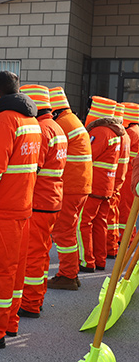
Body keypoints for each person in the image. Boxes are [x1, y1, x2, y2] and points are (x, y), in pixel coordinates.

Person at [0, 71, 41, 349]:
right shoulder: (32, 121)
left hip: (1, 211)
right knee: (14, 271)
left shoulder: (3, 121)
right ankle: (9, 322)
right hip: (23, 208)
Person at [17, 85, 67, 318]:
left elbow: (32, 168)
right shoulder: (56, 126)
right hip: (52, 199)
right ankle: (36, 296)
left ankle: (30, 303)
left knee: (34, 254)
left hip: (39, 201)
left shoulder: (41, 129)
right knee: (42, 252)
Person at [47, 87, 93, 291]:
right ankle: (71, 272)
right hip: (80, 185)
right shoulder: (71, 120)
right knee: (69, 230)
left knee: (63, 232)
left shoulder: (62, 124)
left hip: (71, 186)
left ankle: (67, 275)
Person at [79, 96, 123, 273]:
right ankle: (100, 259)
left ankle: (87, 261)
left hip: (94, 185)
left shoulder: (100, 132)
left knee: (84, 223)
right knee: (100, 223)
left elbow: (87, 155)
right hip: (106, 186)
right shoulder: (115, 132)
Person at [106, 105, 131, 258]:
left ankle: (113, 244)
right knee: (115, 214)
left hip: (111, 179)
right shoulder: (126, 134)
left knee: (111, 215)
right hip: (120, 177)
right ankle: (115, 244)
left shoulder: (120, 133)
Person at [118, 102, 139, 242]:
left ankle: (126, 238)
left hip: (129, 174)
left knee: (125, 209)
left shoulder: (131, 132)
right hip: (130, 173)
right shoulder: (136, 130)